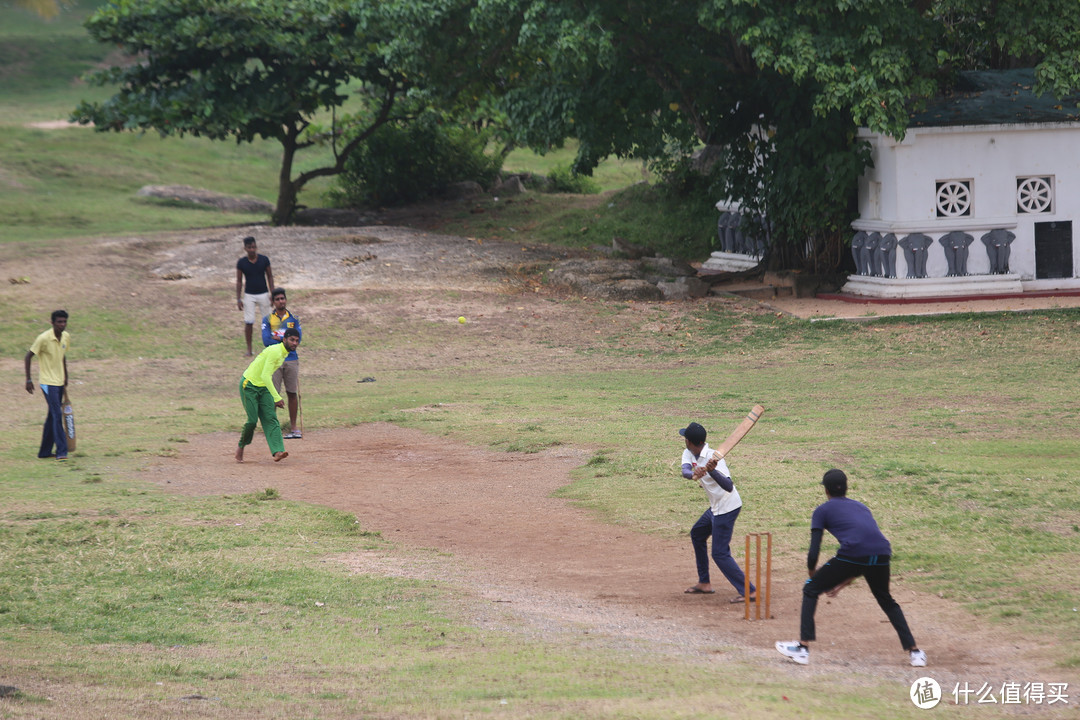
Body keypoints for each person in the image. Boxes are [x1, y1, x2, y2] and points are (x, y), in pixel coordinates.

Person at [776, 469, 927, 667]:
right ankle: (915, 653)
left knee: (810, 589)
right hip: (882, 553)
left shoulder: (822, 511)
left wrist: (814, 577)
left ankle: (802, 649)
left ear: (826, 491)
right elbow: (867, 557)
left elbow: (814, 553)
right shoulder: (862, 508)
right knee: (887, 600)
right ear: (846, 488)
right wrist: (841, 584)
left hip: (854, 554)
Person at [679, 422, 755, 602]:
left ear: (689, 441)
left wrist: (712, 472)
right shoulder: (689, 453)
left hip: (727, 507)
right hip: (715, 507)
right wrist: (694, 473)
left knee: (719, 553)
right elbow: (685, 471)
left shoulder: (715, 459)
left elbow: (728, 486)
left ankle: (749, 591)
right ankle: (704, 583)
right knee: (698, 534)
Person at [236, 328, 300, 463]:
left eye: (296, 340)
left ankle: (278, 451)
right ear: (284, 340)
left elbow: (266, 376)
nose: (295, 343)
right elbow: (265, 375)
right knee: (252, 421)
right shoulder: (276, 352)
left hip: (263, 387)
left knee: (270, 418)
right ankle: (241, 446)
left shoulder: (284, 353)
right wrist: (277, 397)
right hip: (249, 385)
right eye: (292, 340)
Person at [24, 310, 71, 461]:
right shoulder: (43, 338)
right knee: (57, 414)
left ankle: (44, 452)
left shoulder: (66, 337)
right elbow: (28, 356)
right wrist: (28, 379)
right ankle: (62, 451)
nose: (62, 325)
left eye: (64, 322)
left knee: (52, 416)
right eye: (59, 322)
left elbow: (62, 357)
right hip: (47, 383)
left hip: (59, 381)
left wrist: (66, 376)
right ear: (52, 322)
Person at [261, 287, 302, 438]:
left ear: (286, 300)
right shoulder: (267, 319)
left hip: (291, 359)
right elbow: (266, 340)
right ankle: (272, 428)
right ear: (273, 302)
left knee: (292, 393)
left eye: (282, 298)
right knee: (273, 394)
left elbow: (298, 339)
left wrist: (279, 338)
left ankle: (294, 427)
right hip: (275, 361)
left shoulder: (294, 319)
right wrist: (286, 339)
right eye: (277, 299)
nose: (281, 301)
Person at [236, 236, 274, 356]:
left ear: (256, 247)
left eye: (254, 247)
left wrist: (272, 294)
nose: (252, 250)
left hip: (264, 294)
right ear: (245, 248)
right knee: (249, 322)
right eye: (249, 247)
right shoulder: (241, 263)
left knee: (268, 322)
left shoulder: (264, 260)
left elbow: (270, 276)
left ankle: (270, 347)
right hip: (249, 295)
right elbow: (239, 281)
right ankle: (249, 349)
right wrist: (238, 298)